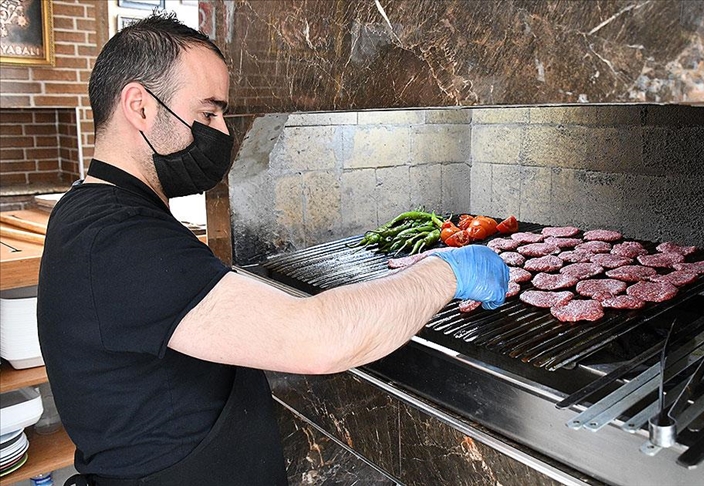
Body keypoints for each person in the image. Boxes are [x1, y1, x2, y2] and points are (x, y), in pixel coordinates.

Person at [36, 13, 508, 486]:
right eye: (207, 113)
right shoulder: (116, 237)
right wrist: (444, 271)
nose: (221, 132)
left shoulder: (98, 213)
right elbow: (317, 341)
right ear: (139, 107)